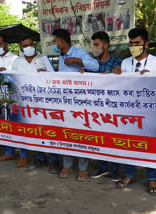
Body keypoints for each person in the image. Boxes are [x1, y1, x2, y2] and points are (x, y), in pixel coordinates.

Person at [113, 28, 156, 194]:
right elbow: (121, 86)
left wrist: (153, 78)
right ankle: (129, 174)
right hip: (129, 110)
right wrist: (117, 75)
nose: (133, 46)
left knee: (150, 144)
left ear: (146, 44)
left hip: (149, 110)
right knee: (129, 143)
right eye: (131, 43)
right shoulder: (125, 63)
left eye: (137, 43)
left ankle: (151, 178)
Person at [52, 29, 99, 180]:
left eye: (55, 41)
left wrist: (77, 61)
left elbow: (95, 66)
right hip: (64, 100)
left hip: (80, 101)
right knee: (66, 133)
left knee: (81, 133)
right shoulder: (60, 56)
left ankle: (83, 168)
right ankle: (67, 165)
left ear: (61, 41)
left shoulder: (79, 52)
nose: (54, 44)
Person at [11, 35, 60, 174]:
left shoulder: (43, 60)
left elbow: (54, 78)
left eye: (31, 44)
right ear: (21, 48)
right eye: (25, 45)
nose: (28, 47)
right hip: (25, 102)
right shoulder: (17, 62)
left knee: (48, 130)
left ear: (35, 45)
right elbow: (12, 79)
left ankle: (53, 160)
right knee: (34, 131)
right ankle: (39, 158)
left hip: (43, 102)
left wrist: (45, 74)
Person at [84, 31, 122, 181]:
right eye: (93, 45)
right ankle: (102, 167)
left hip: (112, 107)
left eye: (96, 44)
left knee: (113, 138)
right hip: (95, 107)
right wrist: (81, 74)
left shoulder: (117, 62)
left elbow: (124, 84)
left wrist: (118, 74)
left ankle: (115, 169)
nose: (94, 48)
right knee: (98, 138)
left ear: (105, 45)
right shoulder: (91, 63)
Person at [0, 34, 28, 167]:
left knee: (18, 124)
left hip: (14, 96)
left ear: (6, 44)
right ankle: (9, 151)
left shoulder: (15, 59)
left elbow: (20, 76)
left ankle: (24, 155)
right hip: (0, 96)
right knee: (5, 124)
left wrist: (7, 72)